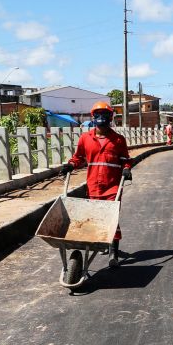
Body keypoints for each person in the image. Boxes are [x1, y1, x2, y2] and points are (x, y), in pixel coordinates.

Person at [61, 101, 132, 267]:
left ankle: (113, 251)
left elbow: (126, 160)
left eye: (105, 114)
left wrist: (127, 169)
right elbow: (78, 158)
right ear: (93, 117)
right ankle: (100, 242)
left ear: (110, 117)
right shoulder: (86, 138)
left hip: (113, 186)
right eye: (98, 114)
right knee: (95, 217)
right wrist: (71, 165)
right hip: (93, 185)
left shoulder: (118, 140)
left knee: (111, 217)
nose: (102, 117)